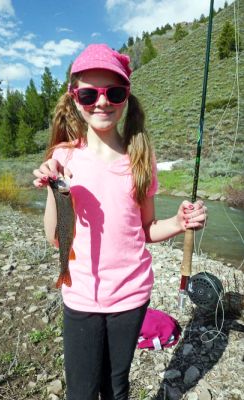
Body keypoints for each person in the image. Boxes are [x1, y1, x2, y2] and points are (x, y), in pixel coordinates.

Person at [33, 43, 207, 400]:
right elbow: (54, 236)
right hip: (80, 294)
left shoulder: (140, 157)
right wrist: (53, 187)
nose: (102, 101)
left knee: (115, 385)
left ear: (126, 95)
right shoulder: (63, 157)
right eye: (89, 93)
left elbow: (147, 230)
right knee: (82, 390)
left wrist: (178, 222)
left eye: (113, 92)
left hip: (130, 296)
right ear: (74, 97)